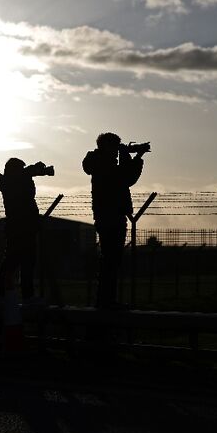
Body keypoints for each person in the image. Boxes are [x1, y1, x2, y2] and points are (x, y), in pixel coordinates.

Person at [82, 132, 147, 308]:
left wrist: (135, 156)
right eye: (115, 147)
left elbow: (125, 176)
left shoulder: (101, 163)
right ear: (107, 147)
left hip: (109, 215)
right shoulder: (104, 165)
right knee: (111, 260)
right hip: (111, 216)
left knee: (110, 260)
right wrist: (131, 156)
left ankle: (105, 300)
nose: (117, 151)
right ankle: (106, 301)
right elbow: (127, 178)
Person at [0, 157, 52, 302]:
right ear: (14, 170)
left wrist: (34, 170)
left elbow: (24, 175)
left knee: (23, 262)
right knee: (16, 262)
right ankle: (10, 294)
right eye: (20, 169)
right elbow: (23, 176)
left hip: (25, 225)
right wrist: (35, 169)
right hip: (19, 226)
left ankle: (18, 295)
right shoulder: (10, 182)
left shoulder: (12, 180)